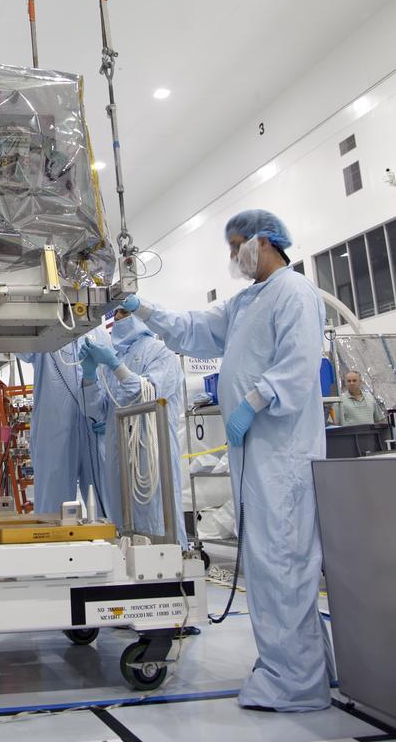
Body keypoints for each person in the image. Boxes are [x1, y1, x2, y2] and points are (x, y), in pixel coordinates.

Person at [119, 209, 334, 712]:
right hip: (256, 457)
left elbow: (299, 364)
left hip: (282, 455)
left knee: (282, 564)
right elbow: (194, 329)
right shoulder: (245, 302)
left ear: (265, 241)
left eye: (237, 245)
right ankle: (303, 667)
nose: (233, 255)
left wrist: (252, 403)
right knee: (268, 564)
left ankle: (295, 684)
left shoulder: (294, 293)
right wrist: (142, 308)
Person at [79, 309, 187, 545]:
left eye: (124, 312)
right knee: (123, 524)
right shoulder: (111, 361)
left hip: (151, 454)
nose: (117, 318)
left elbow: (146, 393)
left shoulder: (162, 352)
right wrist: (89, 376)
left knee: (157, 519)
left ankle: (170, 559)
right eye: (116, 313)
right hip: (119, 456)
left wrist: (114, 364)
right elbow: (96, 411)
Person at [16, 346, 104, 516]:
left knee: (106, 505)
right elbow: (22, 347)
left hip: (96, 428)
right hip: (55, 431)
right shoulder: (48, 337)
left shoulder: (100, 336)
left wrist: (111, 415)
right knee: (52, 510)